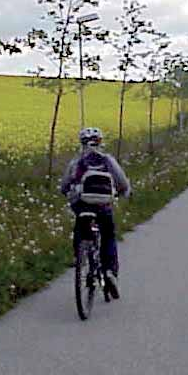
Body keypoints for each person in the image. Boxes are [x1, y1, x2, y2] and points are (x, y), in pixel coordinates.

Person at [60, 127, 131, 299]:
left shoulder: (77, 162)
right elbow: (122, 181)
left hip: (82, 206)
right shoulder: (107, 160)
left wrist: (68, 193)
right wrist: (124, 192)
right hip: (103, 206)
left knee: (80, 230)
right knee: (108, 236)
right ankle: (110, 271)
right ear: (100, 142)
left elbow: (65, 185)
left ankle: (80, 258)